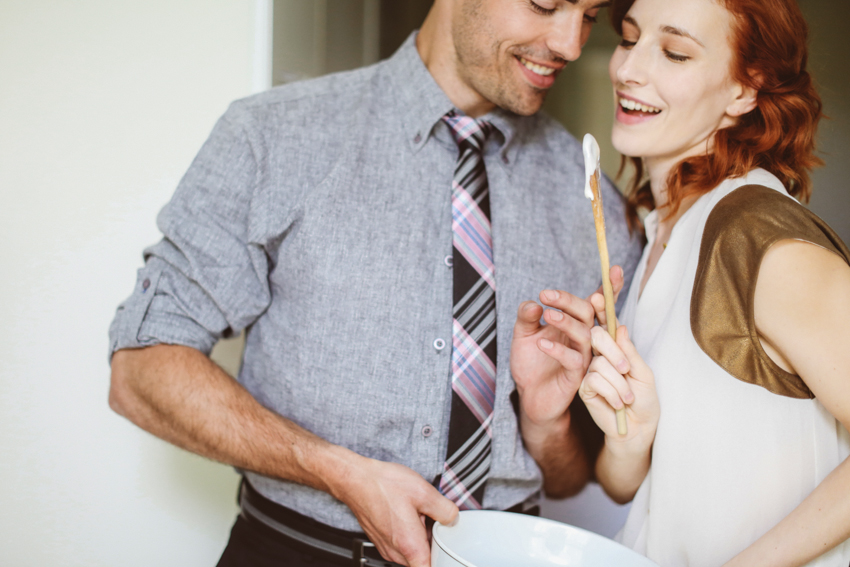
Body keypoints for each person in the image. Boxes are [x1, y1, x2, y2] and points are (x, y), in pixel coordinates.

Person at [107, 0, 641, 566]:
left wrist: (544, 422)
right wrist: (335, 471)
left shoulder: (594, 205)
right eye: (546, 4)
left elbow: (567, 481)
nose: (571, 44)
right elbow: (140, 370)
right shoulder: (274, 136)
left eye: (589, 14)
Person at [577, 0, 850, 565]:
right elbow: (626, 487)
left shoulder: (755, 233)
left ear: (745, 92)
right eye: (630, 40)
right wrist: (629, 437)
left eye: (675, 52)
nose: (629, 69)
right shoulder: (659, 233)